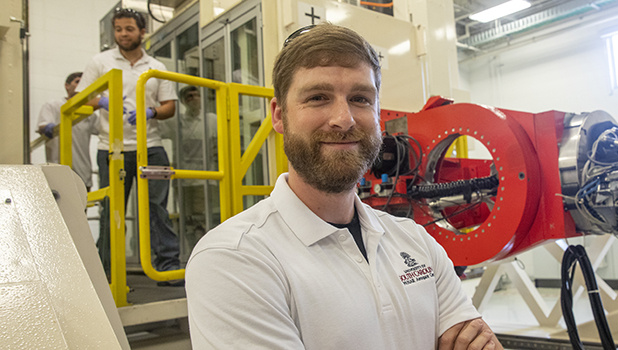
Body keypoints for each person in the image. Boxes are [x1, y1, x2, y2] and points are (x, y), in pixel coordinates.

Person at [186, 24, 503, 350]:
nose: (344, 118)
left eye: (361, 98)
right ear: (279, 116)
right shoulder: (234, 259)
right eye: (318, 98)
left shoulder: (414, 240)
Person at [76, 8, 181, 282]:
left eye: (129, 29)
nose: (123, 34)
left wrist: (152, 112)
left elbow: (169, 106)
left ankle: (167, 268)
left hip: (152, 145)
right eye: (119, 29)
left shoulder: (157, 67)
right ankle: (106, 272)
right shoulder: (100, 62)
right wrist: (100, 101)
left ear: (142, 32)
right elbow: (79, 99)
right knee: (113, 207)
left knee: (157, 208)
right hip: (112, 148)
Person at [37, 72, 98, 191]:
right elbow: (42, 126)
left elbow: (106, 130)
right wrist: (47, 128)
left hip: (82, 170)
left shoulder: (90, 114)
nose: (82, 86)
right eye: (77, 82)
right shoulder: (53, 106)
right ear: (67, 85)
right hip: (57, 169)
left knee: (80, 208)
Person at [177, 85, 219, 256]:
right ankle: (191, 254)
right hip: (184, 179)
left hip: (206, 179)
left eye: (196, 95)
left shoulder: (212, 120)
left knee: (203, 218)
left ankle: (208, 253)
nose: (194, 98)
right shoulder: (179, 122)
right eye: (189, 96)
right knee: (188, 220)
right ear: (183, 101)